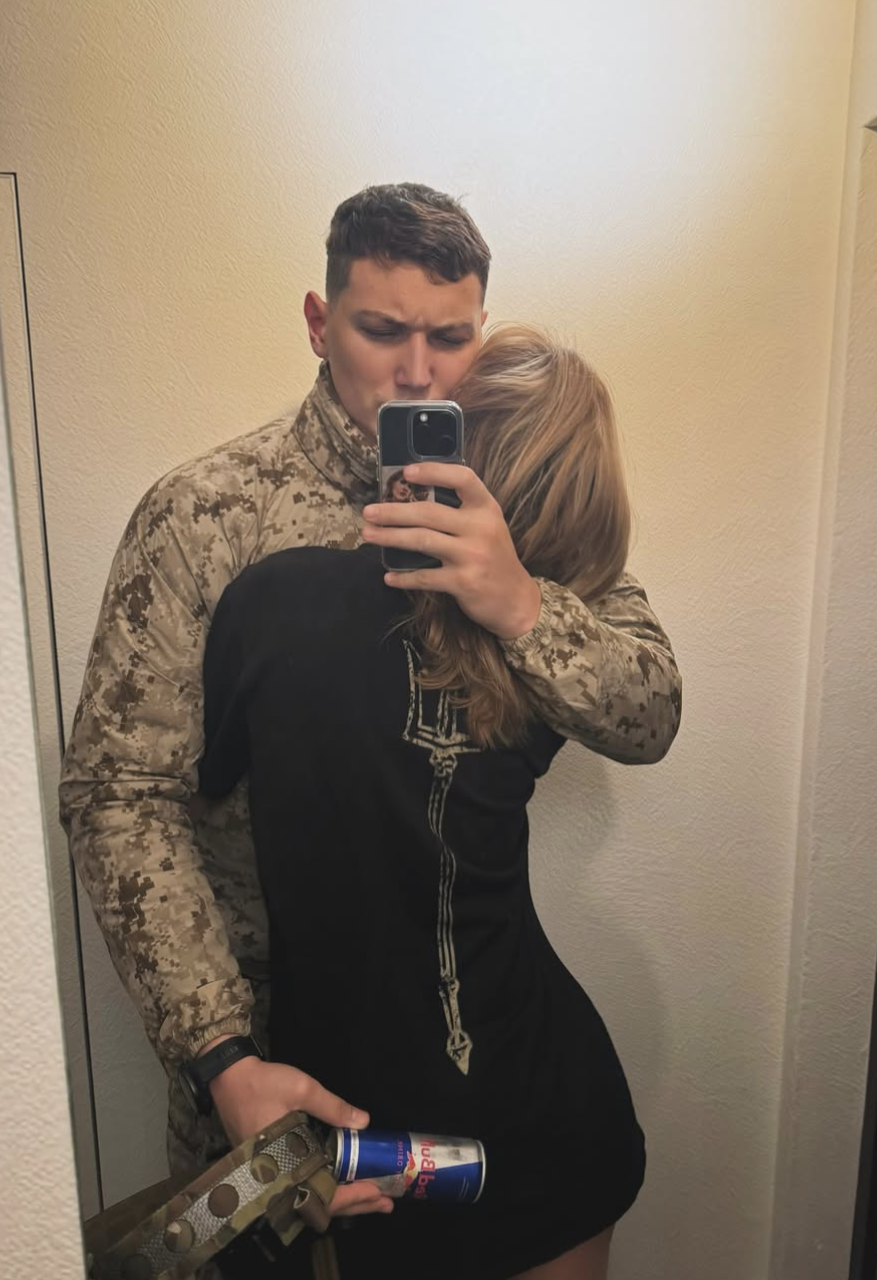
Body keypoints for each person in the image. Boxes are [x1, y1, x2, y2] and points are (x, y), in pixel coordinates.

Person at [58, 181, 679, 1269]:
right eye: (382, 331)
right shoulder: (210, 514)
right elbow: (119, 796)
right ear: (319, 321)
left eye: (450, 337)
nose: (418, 372)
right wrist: (220, 1054)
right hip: (262, 1068)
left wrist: (521, 602)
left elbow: (650, 710)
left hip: (489, 1071)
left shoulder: (519, 503)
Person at [198, 324, 681, 1280]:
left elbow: (206, 806)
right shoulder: (552, 661)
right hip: (534, 1112)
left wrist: (520, 603)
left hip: (351, 1116)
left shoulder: (267, 598)